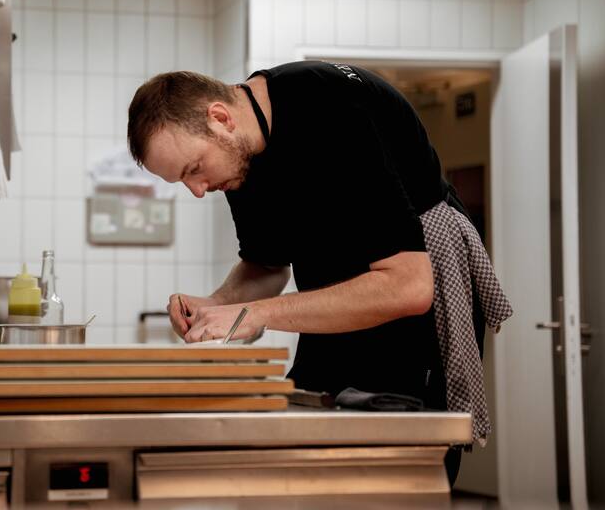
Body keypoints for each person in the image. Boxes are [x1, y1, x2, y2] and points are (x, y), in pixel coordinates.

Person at [126, 60, 512, 485]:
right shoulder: (240, 159)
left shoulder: (330, 110)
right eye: (183, 182)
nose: (197, 190)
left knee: (400, 466)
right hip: (338, 297)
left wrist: (255, 313)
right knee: (315, 428)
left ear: (220, 118)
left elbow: (407, 287)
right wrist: (217, 305)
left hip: (416, 300)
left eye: (194, 169)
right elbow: (267, 263)